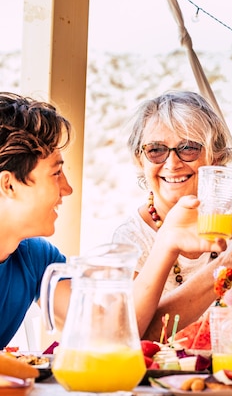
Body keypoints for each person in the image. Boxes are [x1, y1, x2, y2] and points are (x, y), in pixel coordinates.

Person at [0, 92, 218, 347]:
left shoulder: (37, 258)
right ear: (9, 185)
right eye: (56, 173)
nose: (68, 188)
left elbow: (110, 338)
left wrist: (167, 242)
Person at [112, 91, 232, 342]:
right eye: (156, 150)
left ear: (215, 157)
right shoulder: (131, 240)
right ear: (140, 159)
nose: (172, 163)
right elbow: (132, 336)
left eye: (188, 148)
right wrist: (226, 266)